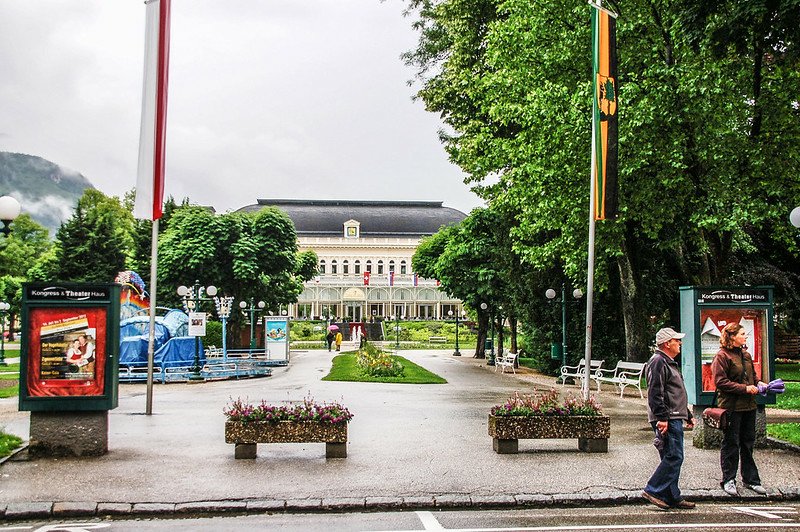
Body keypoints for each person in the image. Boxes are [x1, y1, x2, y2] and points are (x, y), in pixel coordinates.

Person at [642, 327, 695, 510]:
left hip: (673, 415)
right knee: (674, 456)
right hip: (667, 417)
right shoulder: (658, 361)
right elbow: (656, 392)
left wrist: (686, 414)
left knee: (671, 456)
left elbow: (675, 392)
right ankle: (654, 489)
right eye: (676, 340)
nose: (679, 343)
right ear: (667, 343)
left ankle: (672, 495)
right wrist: (662, 418)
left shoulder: (668, 362)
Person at [711, 322, 767, 496]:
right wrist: (744, 388)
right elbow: (720, 382)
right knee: (731, 443)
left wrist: (759, 384)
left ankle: (751, 480)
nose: (745, 336)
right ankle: (728, 479)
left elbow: (753, 377)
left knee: (748, 443)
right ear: (732, 336)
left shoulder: (746, 355)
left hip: (749, 406)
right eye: (742, 334)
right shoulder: (722, 356)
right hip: (731, 407)